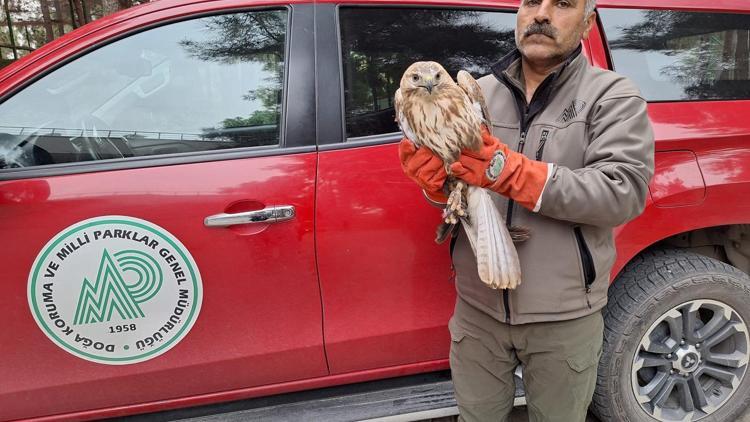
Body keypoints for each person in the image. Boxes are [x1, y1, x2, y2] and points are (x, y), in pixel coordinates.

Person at [397, 0, 655, 420]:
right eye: (532, 2)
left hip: (563, 315)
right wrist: (436, 187)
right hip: (477, 309)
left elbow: (622, 193)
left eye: (563, 4)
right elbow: (459, 186)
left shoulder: (612, 96)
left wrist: (511, 172)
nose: (541, 14)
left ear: (588, 23)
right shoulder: (473, 91)